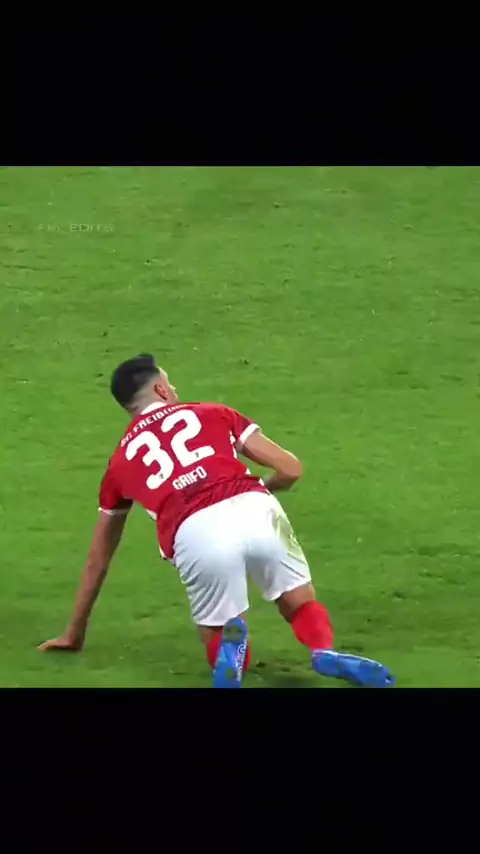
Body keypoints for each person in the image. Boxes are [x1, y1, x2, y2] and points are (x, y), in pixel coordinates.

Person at [39, 354, 395, 689]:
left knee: (217, 628)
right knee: (299, 599)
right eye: (169, 382)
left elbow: (99, 557)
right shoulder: (212, 412)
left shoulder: (119, 464)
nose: (173, 387)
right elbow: (291, 468)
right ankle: (322, 650)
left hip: (194, 531)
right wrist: (262, 490)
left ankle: (231, 651)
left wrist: (74, 632)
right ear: (161, 389)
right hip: (256, 509)